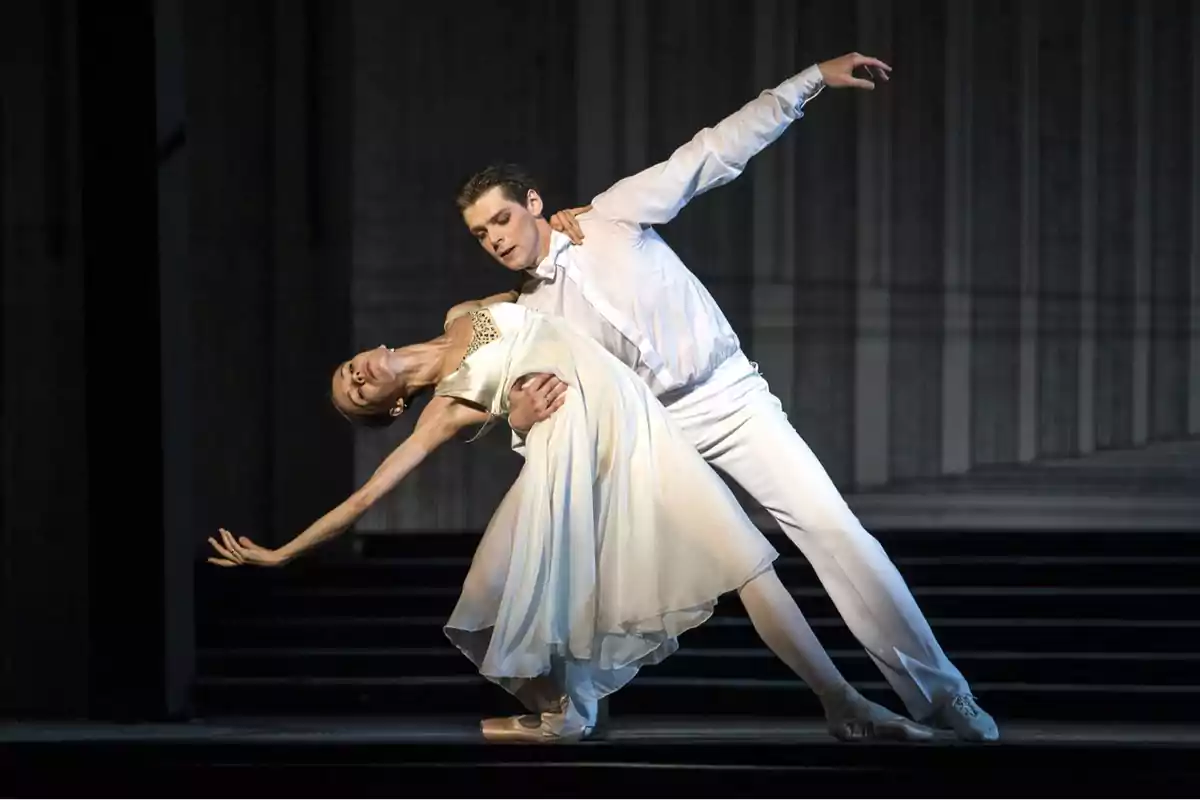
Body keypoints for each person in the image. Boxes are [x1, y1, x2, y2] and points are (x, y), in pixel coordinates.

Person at [451, 51, 999, 742]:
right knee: (603, 554)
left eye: (501, 219)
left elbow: (712, 153)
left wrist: (809, 82)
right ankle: (574, 706)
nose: (496, 239)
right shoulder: (536, 313)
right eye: (481, 234)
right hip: (656, 437)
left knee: (835, 533)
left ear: (532, 203)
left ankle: (944, 696)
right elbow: (543, 406)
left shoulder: (611, 215)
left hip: (730, 398)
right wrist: (523, 427)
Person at [207, 300, 935, 743]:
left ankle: (841, 703)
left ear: (368, 352)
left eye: (349, 370)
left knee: (745, 557)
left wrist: (567, 222)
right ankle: (565, 706)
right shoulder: (443, 411)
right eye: (355, 394)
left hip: (632, 418)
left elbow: (541, 294)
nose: (357, 376)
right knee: (503, 590)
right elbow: (368, 497)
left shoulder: (463, 313)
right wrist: (282, 553)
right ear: (389, 409)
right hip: (570, 447)